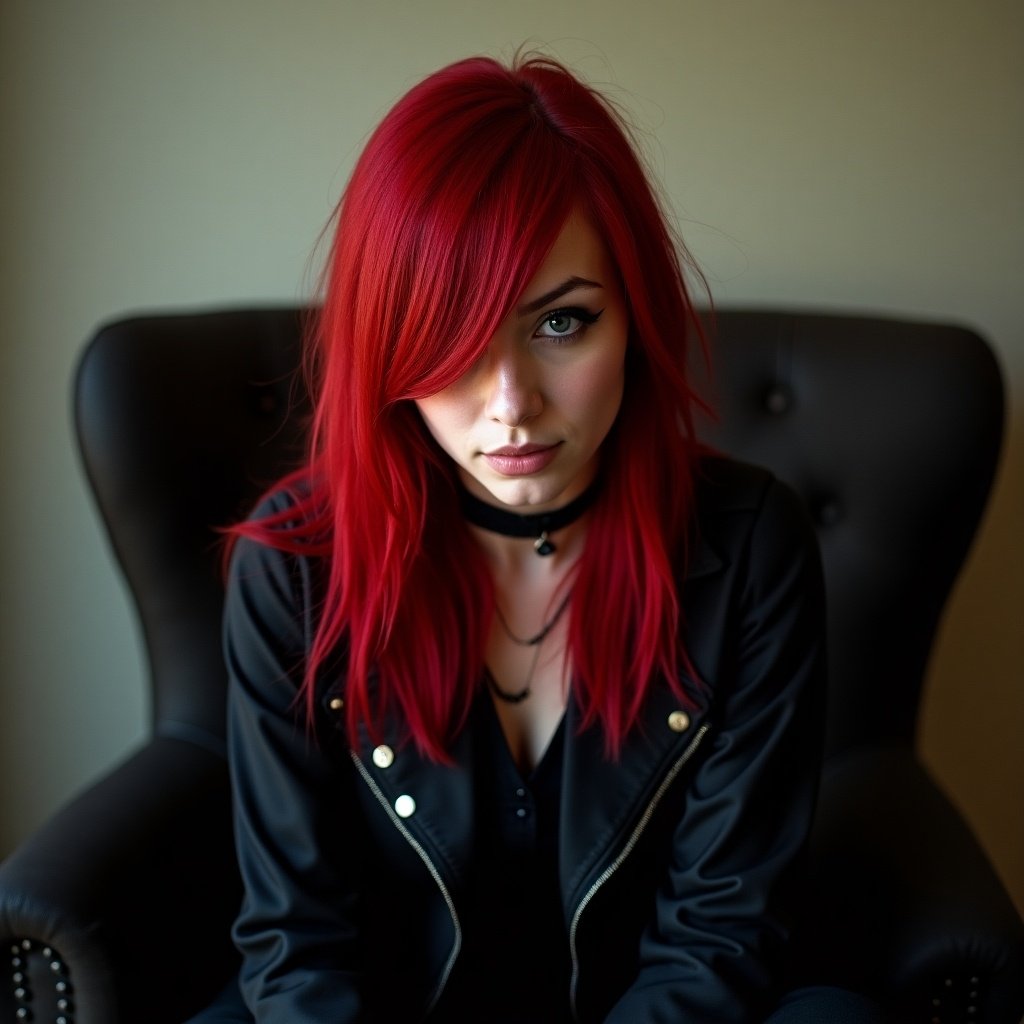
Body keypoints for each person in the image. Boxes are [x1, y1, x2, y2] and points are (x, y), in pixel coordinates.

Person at [190, 53, 887, 1024]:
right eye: (450, 342)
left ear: (634, 319)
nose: (510, 404)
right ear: (388, 349)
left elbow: (717, 933)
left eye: (562, 322)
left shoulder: (750, 548)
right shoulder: (297, 566)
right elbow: (298, 940)